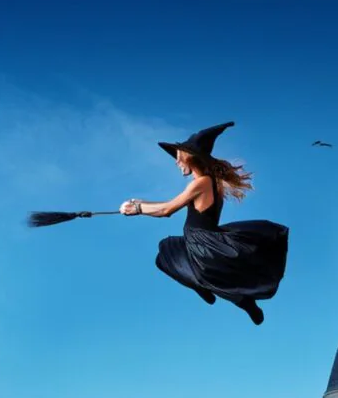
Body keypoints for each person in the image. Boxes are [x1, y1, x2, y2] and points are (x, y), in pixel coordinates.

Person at [119, 121, 288, 325]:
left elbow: (167, 210)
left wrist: (136, 210)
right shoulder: (211, 182)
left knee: (165, 253)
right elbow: (169, 203)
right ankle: (223, 294)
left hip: (202, 242)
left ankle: (206, 287)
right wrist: (140, 202)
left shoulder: (201, 183)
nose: (176, 163)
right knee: (171, 251)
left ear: (190, 158)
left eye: (179, 158)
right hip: (203, 239)